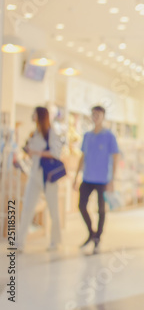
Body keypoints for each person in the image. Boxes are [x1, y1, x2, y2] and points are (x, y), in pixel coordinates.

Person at [73, 106, 119, 252]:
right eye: (93, 114)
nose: (95, 117)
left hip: (103, 179)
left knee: (101, 209)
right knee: (81, 206)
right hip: (87, 177)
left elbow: (115, 157)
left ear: (103, 116)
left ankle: (98, 237)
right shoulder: (87, 136)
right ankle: (91, 233)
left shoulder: (109, 136)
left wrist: (112, 179)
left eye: (98, 114)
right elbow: (83, 157)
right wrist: (76, 176)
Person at [18, 107, 63, 252]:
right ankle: (20, 242)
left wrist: (36, 152)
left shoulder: (51, 133)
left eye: (35, 114)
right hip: (34, 174)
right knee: (27, 207)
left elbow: (56, 153)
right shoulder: (35, 133)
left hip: (47, 176)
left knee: (53, 210)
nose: (33, 116)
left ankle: (55, 241)